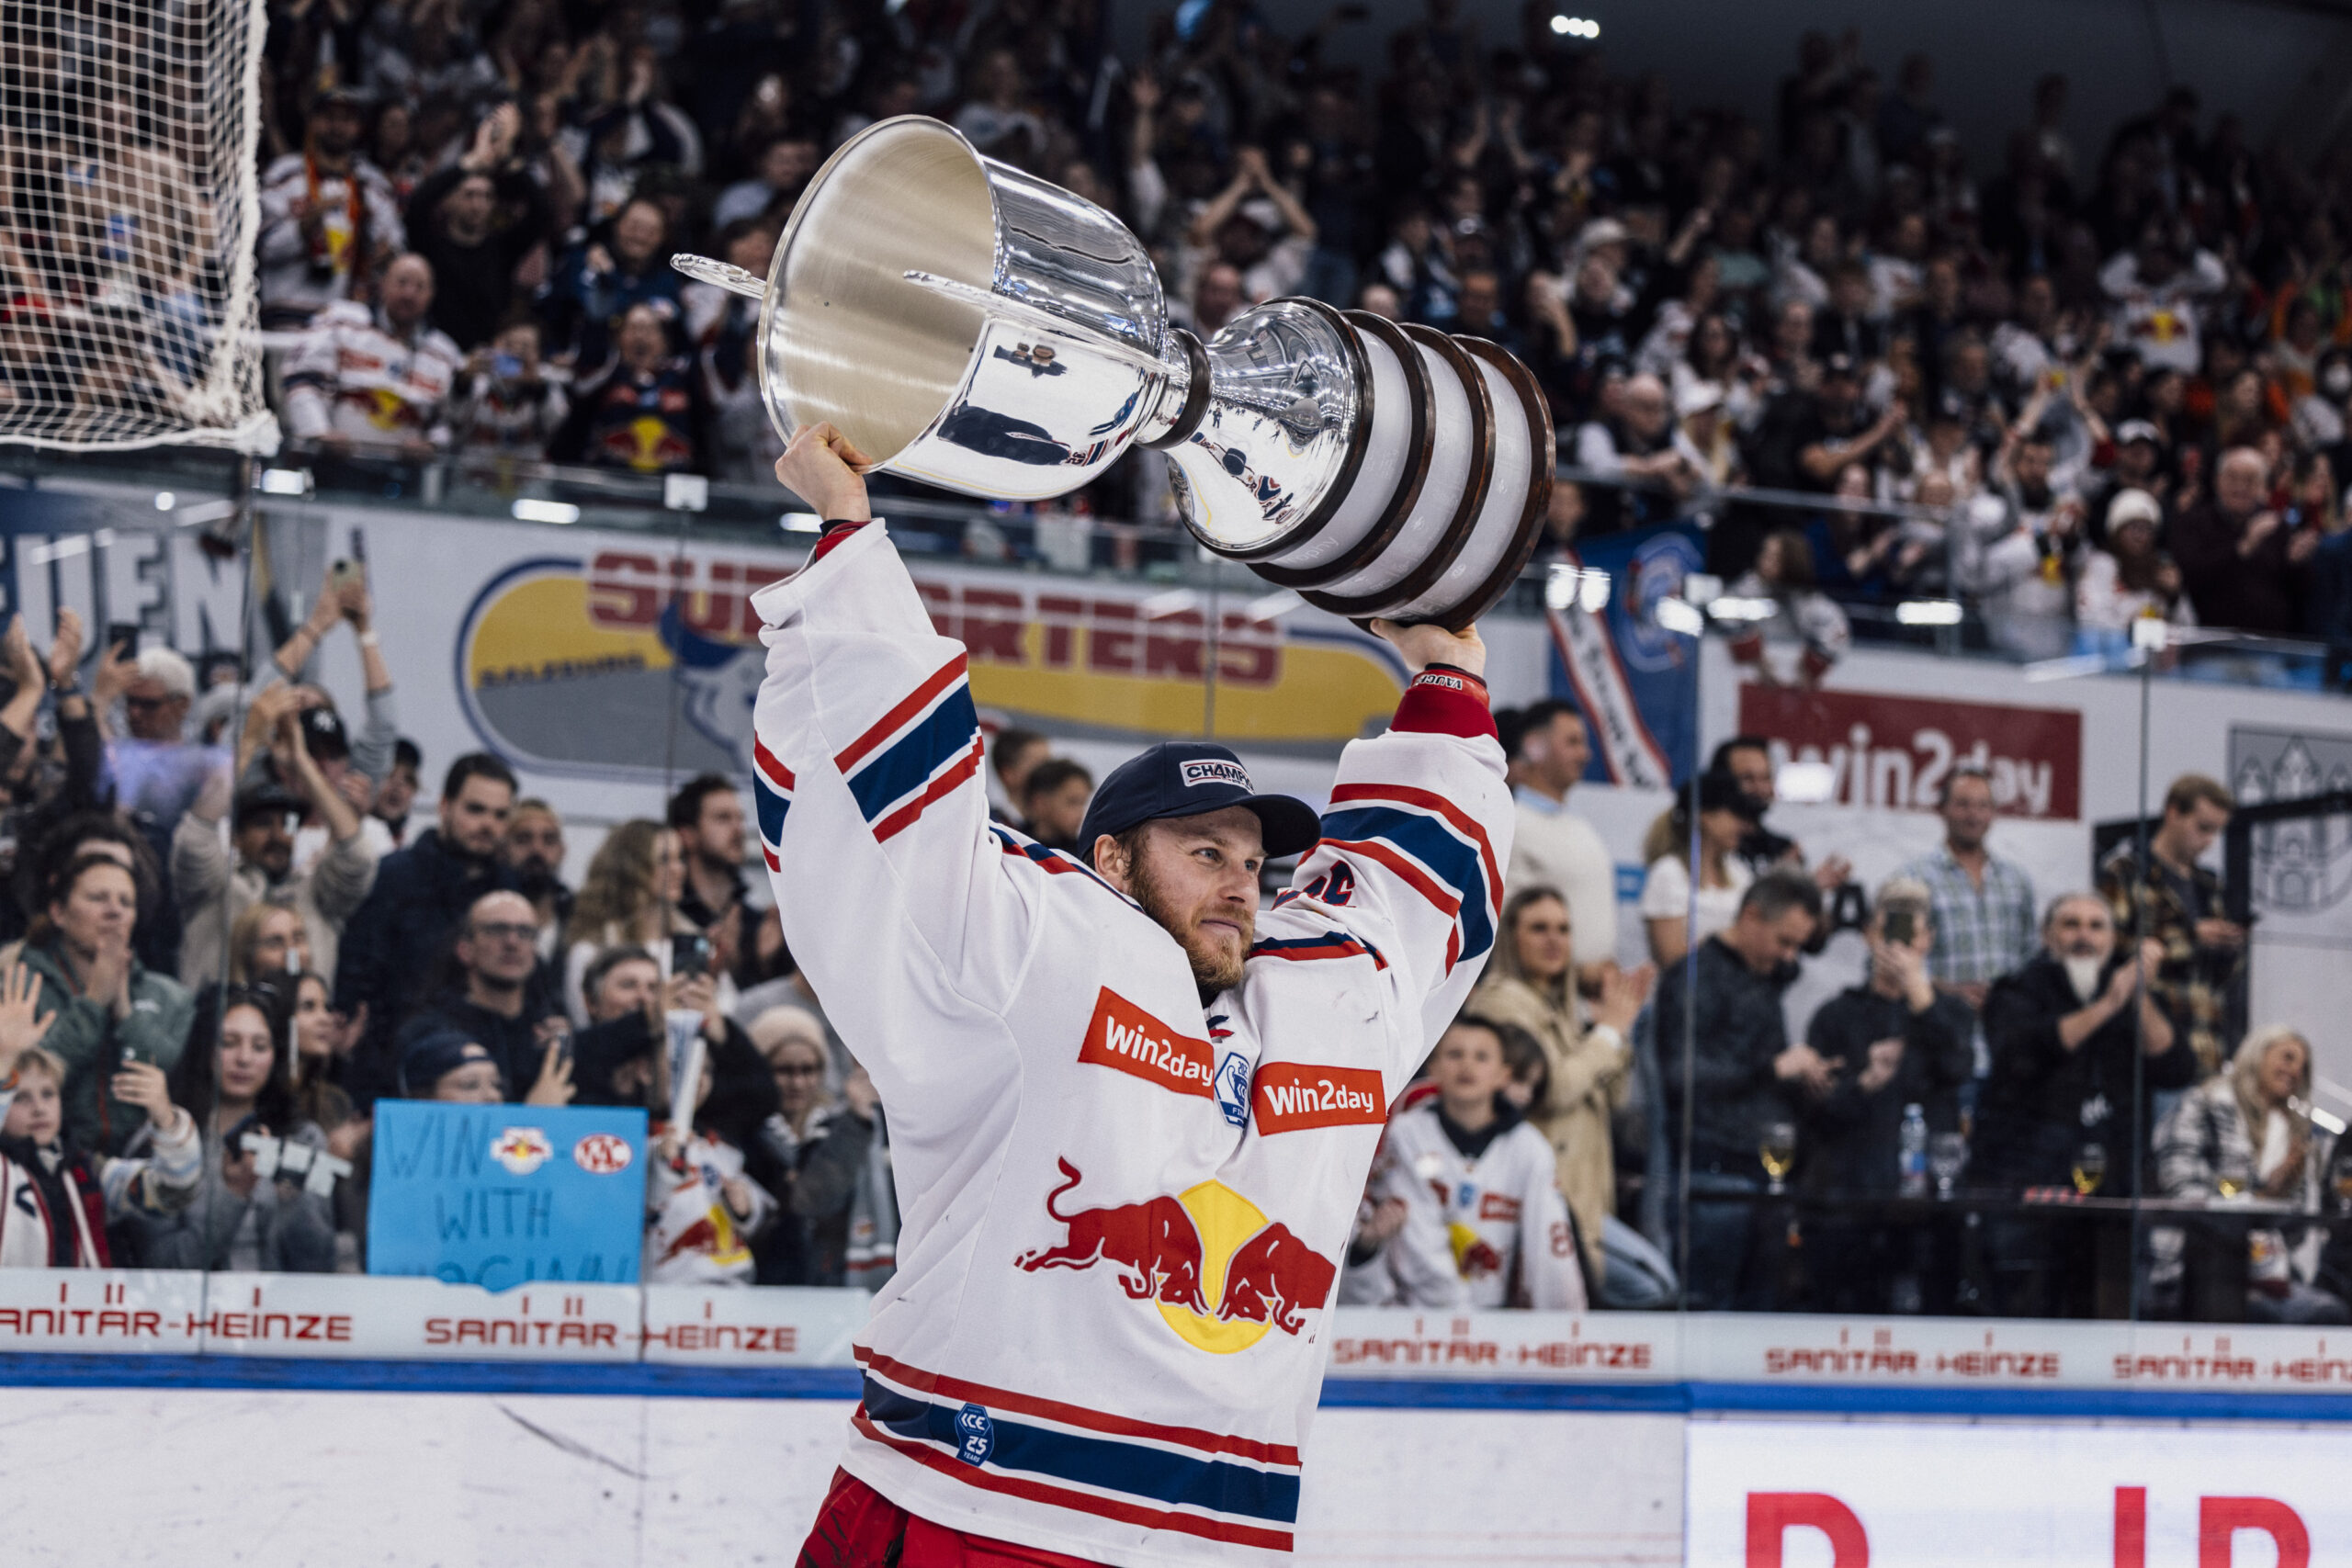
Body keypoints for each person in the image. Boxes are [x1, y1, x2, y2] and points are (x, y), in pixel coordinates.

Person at [767, 420, 1510, 1564]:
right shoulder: (1043, 948)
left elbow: (1427, 891)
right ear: (1110, 860)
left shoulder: (1328, 996)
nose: (1237, 886)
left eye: (1252, 863)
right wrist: (851, 542)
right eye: (1200, 852)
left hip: (1206, 1536)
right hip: (967, 1500)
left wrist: (1447, 674)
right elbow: (901, 833)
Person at [1975, 894, 2192, 1314]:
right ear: (2047, 935)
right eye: (2071, 924)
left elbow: (2176, 1068)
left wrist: (2138, 996)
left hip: (2111, 1194)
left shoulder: (2133, 994)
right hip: (2029, 1190)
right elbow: (2023, 1054)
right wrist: (2107, 1005)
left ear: (2113, 939)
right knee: (2022, 1313)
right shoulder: (2017, 990)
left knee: (2109, 1311)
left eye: (2096, 926)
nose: (2084, 936)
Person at [1796, 879, 1974, 1311]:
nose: (1898, 946)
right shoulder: (1837, 1014)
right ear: (1868, 936)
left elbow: (1958, 1068)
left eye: (1909, 935)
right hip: (1850, 1201)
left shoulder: (1949, 1013)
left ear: (1927, 941)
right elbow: (1816, 1113)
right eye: (1887, 932)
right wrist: (1866, 1082)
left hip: (1926, 1205)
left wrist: (1920, 994)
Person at [1654, 872, 1827, 1312]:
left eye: (1797, 946)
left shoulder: (1765, 971)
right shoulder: (1692, 979)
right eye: (1784, 942)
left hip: (1765, 1173)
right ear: (1750, 916)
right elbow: (1681, 1075)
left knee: (1760, 1314)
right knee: (1707, 1313)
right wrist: (1772, 1068)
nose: (1790, 958)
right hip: (1712, 1173)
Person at [1470, 886, 1652, 1291]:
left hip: (1586, 1197)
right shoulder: (1502, 1002)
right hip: (1541, 1199)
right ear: (1512, 937)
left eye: (1564, 929)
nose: (1554, 940)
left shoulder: (1562, 1009)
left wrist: (1614, 1030)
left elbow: (1615, 1099)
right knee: (1644, 1290)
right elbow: (1553, 1090)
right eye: (1539, 928)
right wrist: (1608, 1033)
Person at [1356, 1015, 1587, 1309]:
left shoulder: (1529, 1148)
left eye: (1481, 1057)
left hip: (1498, 1331)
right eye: (1454, 1055)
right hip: (1416, 1326)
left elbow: (1551, 1256)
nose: (1467, 1066)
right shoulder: (1407, 1133)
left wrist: (1562, 1332)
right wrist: (1457, 1327)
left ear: (1503, 1074)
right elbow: (1416, 1240)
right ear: (1433, 1067)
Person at [334, 752, 521, 1103]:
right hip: (395, 1078)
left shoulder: (511, 892)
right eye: (475, 809)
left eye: (500, 815)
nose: (488, 825)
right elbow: (359, 982)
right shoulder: (393, 878)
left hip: (490, 1081)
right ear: (444, 806)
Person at [172, 684, 376, 990]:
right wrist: (251, 740)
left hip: (298, 1035)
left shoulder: (316, 896)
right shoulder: (215, 887)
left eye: (288, 824)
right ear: (236, 838)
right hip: (219, 1033)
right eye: (263, 823)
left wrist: (301, 761)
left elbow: (357, 856)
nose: (279, 835)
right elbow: (196, 835)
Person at [123, 983, 337, 1272]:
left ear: (276, 1056)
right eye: (228, 1043)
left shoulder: (303, 1139)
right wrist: (233, 1195)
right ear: (205, 1048)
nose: (244, 1059)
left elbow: (320, 1268)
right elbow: (162, 1265)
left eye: (260, 1046)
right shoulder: (163, 1141)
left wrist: (295, 1204)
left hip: (279, 1313)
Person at [2154, 1026, 2346, 1325]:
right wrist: (2258, 1199)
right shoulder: (2205, 1103)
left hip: (2267, 1275)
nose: (2295, 1070)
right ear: (2258, 1054)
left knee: (2328, 1314)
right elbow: (2179, 1185)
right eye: (2287, 1057)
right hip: (2192, 1266)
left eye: (2302, 1066)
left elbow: (2294, 1238)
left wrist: (2279, 1191)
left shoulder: (2294, 1134)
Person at [22, 854, 197, 1156]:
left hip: (143, 1167)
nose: (114, 911)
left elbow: (183, 1083)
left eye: (126, 902)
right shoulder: (19, 987)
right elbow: (28, 1085)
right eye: (98, 898)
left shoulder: (170, 997)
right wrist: (93, 1003)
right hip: (48, 1163)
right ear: (58, 912)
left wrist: (126, 1013)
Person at [0, 1038, 200, 1268]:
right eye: (19, 1097)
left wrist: (165, 1118)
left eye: (48, 1094)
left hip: (81, 1302)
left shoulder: (88, 1170)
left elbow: (174, 1192)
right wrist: (5, 1057)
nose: (39, 1108)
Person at [2097, 773, 2243, 1077]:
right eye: (2203, 828)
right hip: (2149, 1047)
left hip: (2207, 1043)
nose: (2208, 841)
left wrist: (2230, 948)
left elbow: (2219, 979)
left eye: (2216, 831)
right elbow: (2108, 947)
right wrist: (2190, 939)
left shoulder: (2209, 885)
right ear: (2173, 812)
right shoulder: (2126, 872)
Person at [743, 1007, 880, 1287]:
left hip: (830, 1292)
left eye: (809, 1069)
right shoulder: (744, 1135)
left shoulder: (842, 1128)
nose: (798, 1082)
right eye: (784, 1070)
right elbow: (806, 1204)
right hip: (758, 1294)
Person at [395, 891, 571, 1107]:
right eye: (497, 930)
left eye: (525, 932)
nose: (512, 942)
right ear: (465, 949)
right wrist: (533, 1116)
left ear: (535, 950)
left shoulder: (548, 1033)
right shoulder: (428, 1031)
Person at [281, 253, 465, 456]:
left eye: (420, 287)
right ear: (383, 284)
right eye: (402, 282)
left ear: (431, 294)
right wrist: (319, 432)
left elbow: (449, 422)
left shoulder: (446, 353)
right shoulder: (341, 321)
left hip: (407, 478)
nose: (409, 294)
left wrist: (432, 445)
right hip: (332, 464)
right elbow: (300, 377)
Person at [255, 87, 404, 331]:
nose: (337, 126)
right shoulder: (285, 175)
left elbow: (396, 250)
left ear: (358, 127)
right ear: (313, 122)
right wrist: (305, 225)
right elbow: (262, 247)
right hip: (287, 315)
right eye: (329, 118)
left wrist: (385, 255)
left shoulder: (374, 186)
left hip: (350, 320)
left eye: (346, 120)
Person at [1896, 765, 2040, 1011]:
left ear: (1993, 813)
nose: (1973, 815)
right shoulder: (1910, 880)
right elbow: (1891, 960)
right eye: (1962, 804)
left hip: (2006, 1033)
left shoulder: (2018, 881)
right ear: (1942, 810)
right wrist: (1946, 992)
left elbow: (2030, 957)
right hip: (1940, 1029)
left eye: (1983, 805)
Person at [1503, 700, 1619, 981]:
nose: (1586, 754)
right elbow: (1505, 924)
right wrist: (1579, 974)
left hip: (1582, 1006)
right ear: (1534, 748)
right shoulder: (1509, 824)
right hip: (1533, 1001)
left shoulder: (1581, 827)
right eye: (1573, 742)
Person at [548, 299, 711, 472]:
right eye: (633, 329)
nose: (640, 336)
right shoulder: (603, 378)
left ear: (665, 341)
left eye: (648, 329)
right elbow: (589, 367)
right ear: (619, 338)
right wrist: (596, 321)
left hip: (672, 490)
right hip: (609, 488)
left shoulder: (684, 380)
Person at [560, 819, 691, 1025]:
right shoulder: (591, 951)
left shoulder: (690, 940)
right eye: (665, 859)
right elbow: (586, 1028)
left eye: (680, 858)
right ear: (632, 867)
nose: (679, 869)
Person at [1638, 769, 1761, 968]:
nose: (1743, 825)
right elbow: (1671, 961)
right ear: (1705, 816)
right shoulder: (1668, 874)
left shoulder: (1739, 873)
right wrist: (1727, 940)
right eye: (1735, 813)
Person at [105, 646, 219, 843]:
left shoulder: (201, 764)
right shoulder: (113, 754)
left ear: (182, 704)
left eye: (148, 705)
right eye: (130, 702)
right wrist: (99, 700)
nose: (134, 714)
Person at [668, 773, 748, 931]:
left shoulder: (753, 924)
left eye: (740, 818)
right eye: (723, 818)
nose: (738, 829)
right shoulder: (666, 919)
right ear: (687, 835)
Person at [502, 797, 572, 961]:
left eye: (549, 840)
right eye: (523, 839)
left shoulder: (579, 917)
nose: (537, 849)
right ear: (503, 850)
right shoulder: (483, 915)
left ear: (562, 851)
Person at [1017, 758, 1093, 857]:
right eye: (1072, 802)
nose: (1081, 813)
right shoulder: (1013, 845)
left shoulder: (1086, 855)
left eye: (1082, 803)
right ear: (1040, 803)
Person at [988, 728, 1052, 829]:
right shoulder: (989, 826)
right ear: (1008, 774)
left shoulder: (1054, 829)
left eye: (1050, 764)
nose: (1050, 772)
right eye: (1040, 765)